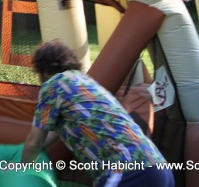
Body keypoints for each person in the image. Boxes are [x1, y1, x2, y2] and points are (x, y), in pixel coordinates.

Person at [21, 40, 174, 187]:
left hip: (126, 170)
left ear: (44, 70)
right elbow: (51, 135)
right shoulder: (86, 83)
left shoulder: (53, 85)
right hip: (158, 167)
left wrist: (20, 175)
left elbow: (34, 143)